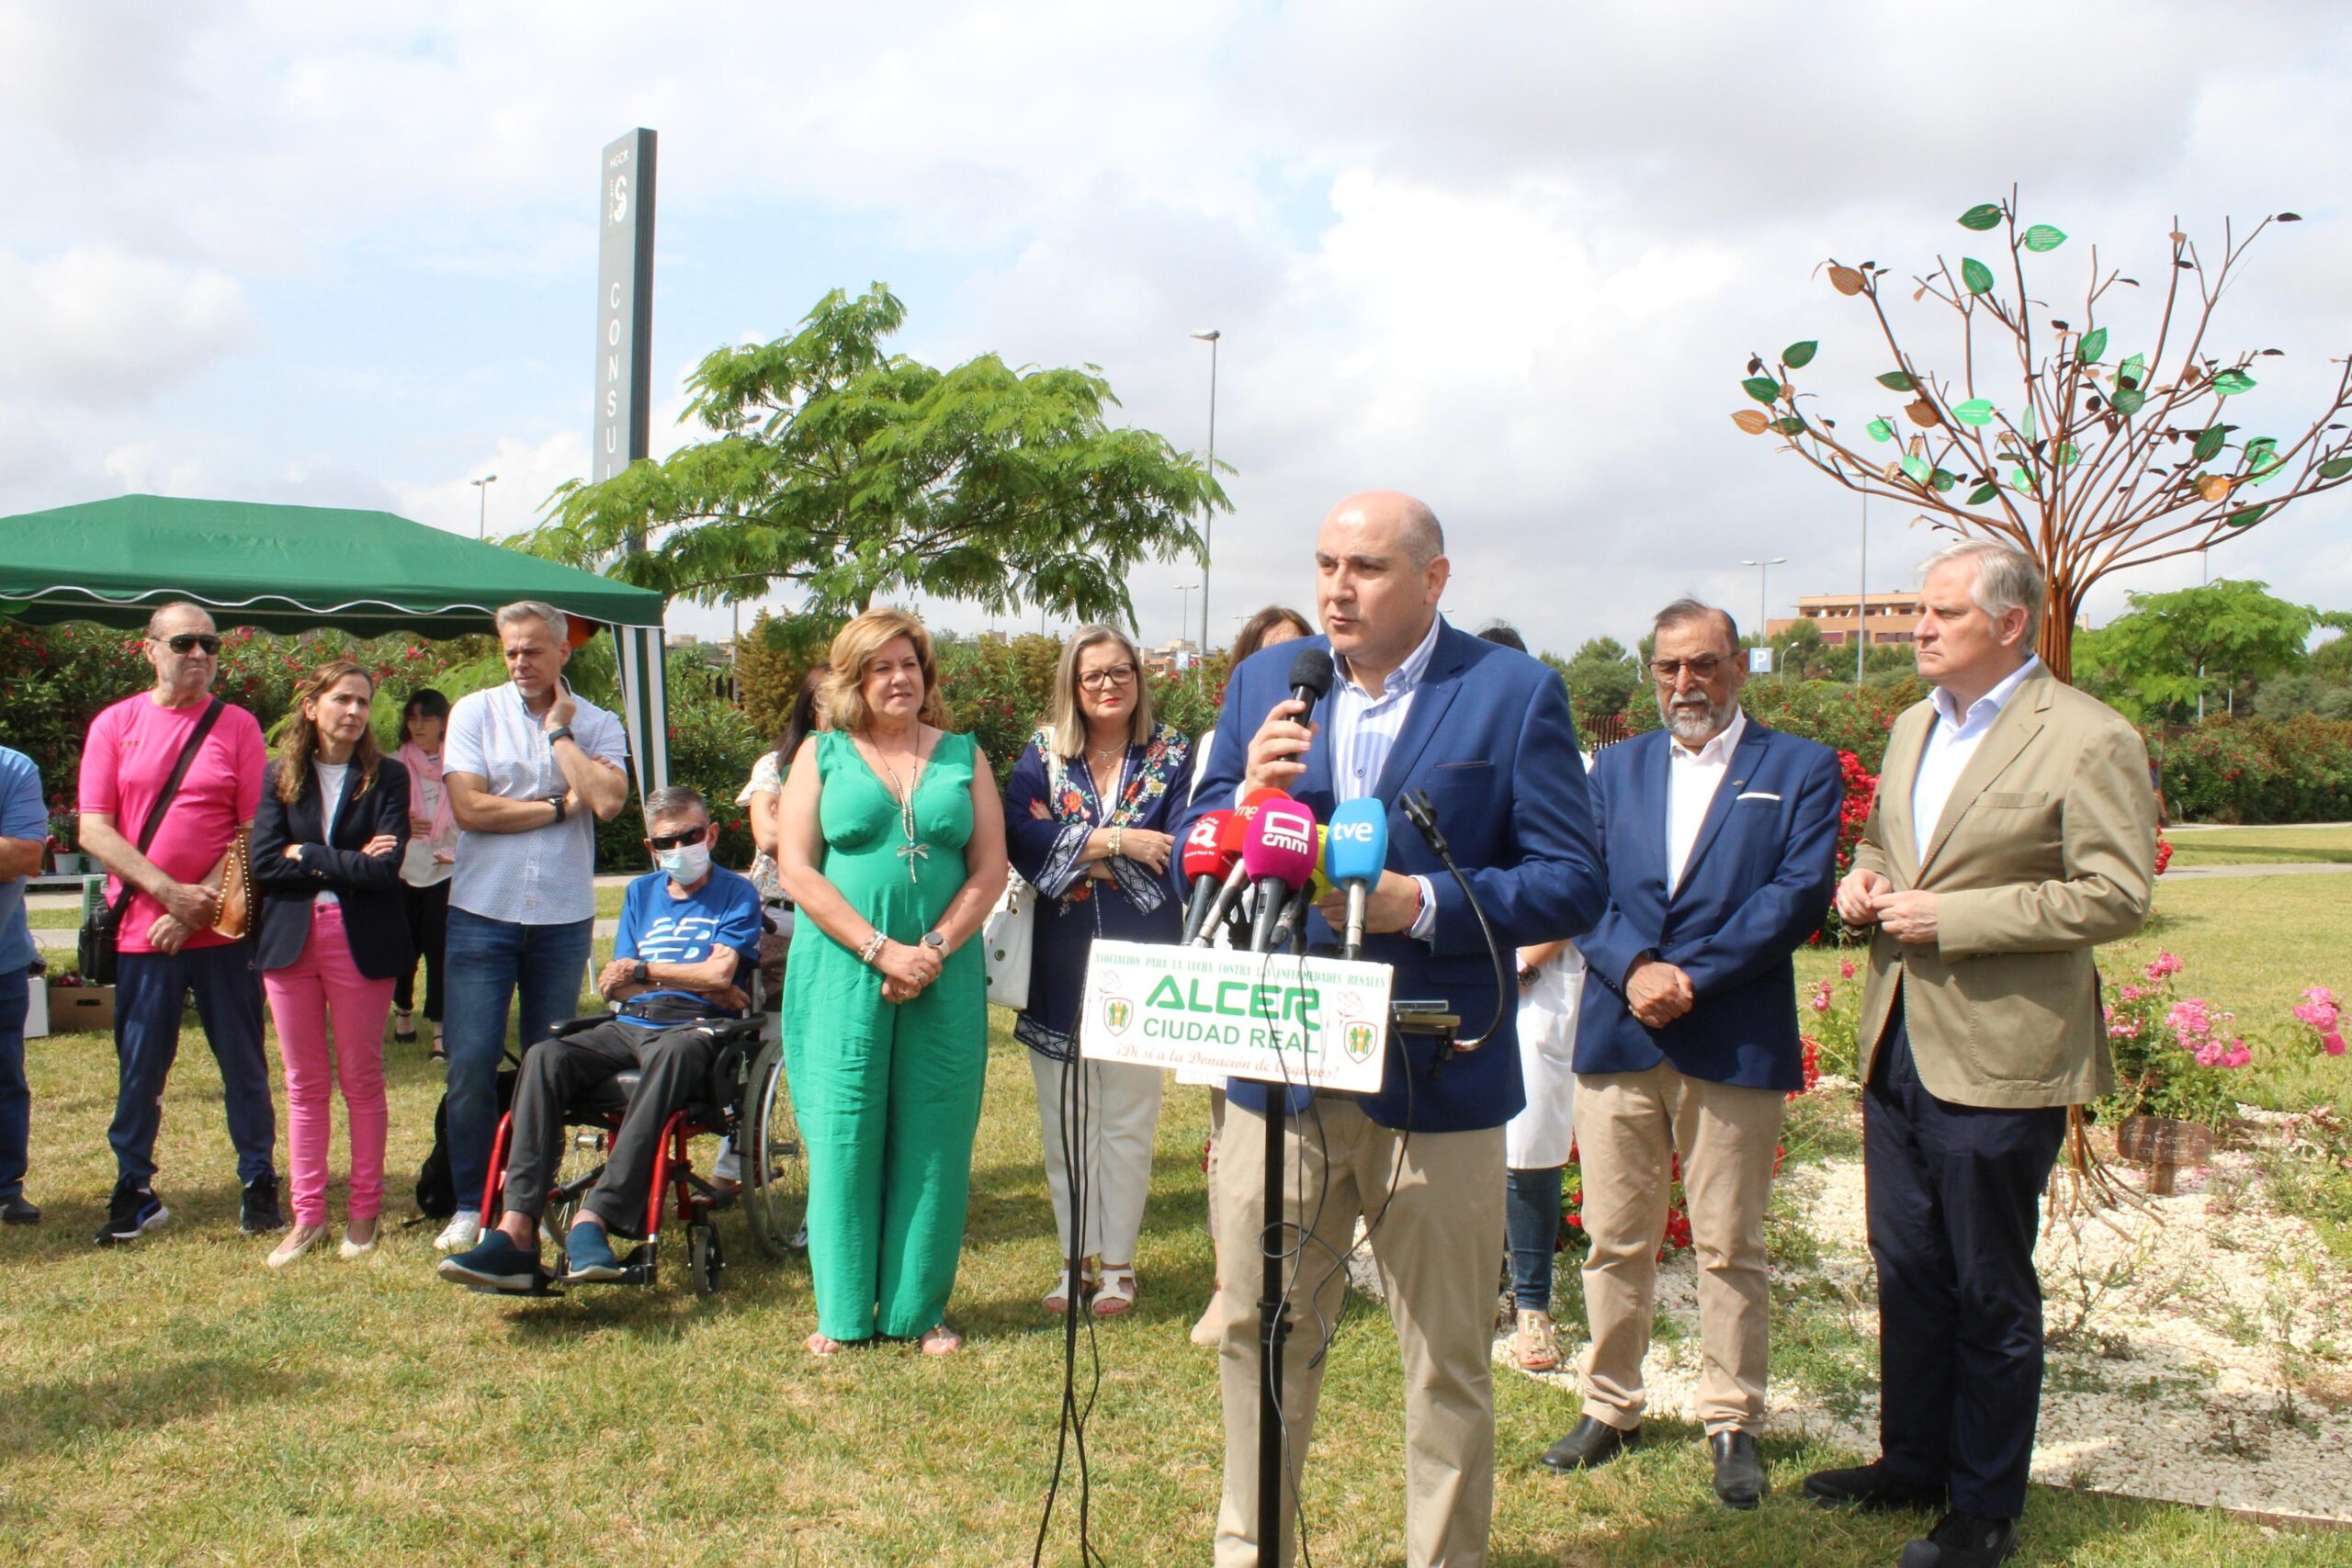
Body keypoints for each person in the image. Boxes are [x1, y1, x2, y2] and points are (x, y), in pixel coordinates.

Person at [1181, 491, 1607, 1568]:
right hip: (1277, 1069)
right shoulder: (1262, 686)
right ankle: (1251, 1551)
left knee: (1447, 1358)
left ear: (1433, 578)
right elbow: (1202, 827)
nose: (1336, 587)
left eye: (1365, 566)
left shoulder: (1512, 696)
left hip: (1438, 1072)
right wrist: (1243, 802)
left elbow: (1570, 881)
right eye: (1325, 562)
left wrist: (1422, 906)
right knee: (1256, 1332)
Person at [1803, 541, 2155, 1568]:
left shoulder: (2089, 739)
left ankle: (1984, 1507)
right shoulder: (1914, 726)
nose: (1918, 627)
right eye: (1919, 610)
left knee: (1988, 1285)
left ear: (2009, 624)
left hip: (2002, 1054)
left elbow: (2114, 894)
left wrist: (1954, 915)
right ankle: (1910, 1462)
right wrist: (1859, 885)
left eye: (1942, 613)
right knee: (1907, 1266)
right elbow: (1882, 846)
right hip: (1895, 1041)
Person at [1537, 599, 1840, 1511]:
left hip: (1730, 1032)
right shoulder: (1611, 770)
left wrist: (1688, 978)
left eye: (1702, 665)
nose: (1684, 685)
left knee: (1728, 1243)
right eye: (1669, 667)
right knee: (1614, 1236)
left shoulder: (1797, 767)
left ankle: (1731, 1418)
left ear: (1738, 666)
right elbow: (1577, 882)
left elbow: (1793, 897)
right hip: (1620, 1030)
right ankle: (1610, 1404)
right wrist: (1632, 969)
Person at [776, 608, 1007, 1356]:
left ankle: (918, 1311)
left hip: (943, 974)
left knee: (936, 1135)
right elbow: (797, 867)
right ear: (854, 679)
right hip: (842, 973)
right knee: (844, 1133)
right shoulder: (821, 753)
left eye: (908, 663)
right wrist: (882, 950)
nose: (898, 677)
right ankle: (841, 1314)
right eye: (880, 667)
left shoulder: (964, 756)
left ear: (926, 672)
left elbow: (990, 868)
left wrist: (931, 948)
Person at [439, 786, 763, 1293]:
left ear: (712, 834)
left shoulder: (736, 892)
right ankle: (516, 1229)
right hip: (630, 1020)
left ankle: (595, 1217)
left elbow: (719, 973)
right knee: (545, 1056)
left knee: (676, 1051)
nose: (679, 848)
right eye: (666, 841)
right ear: (650, 846)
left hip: (690, 1029)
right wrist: (686, 976)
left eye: (691, 835)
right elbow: (617, 983)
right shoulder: (640, 893)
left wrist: (653, 972)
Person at [1003, 626, 1191, 1317]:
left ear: (1139, 678)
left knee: (1129, 1119)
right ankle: (1072, 1260)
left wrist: (1084, 851)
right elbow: (1022, 833)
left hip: (1143, 959)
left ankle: (1119, 1264)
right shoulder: (1044, 754)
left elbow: (1176, 841)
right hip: (1060, 961)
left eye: (1121, 672)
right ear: (1071, 687)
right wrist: (1115, 844)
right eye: (1093, 677)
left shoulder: (1174, 754)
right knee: (1065, 1120)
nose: (1109, 686)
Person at [79, 603, 279, 1246]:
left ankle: (259, 1181)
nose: (199, 654)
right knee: (140, 1066)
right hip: (144, 930)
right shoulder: (115, 725)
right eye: (185, 642)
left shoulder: (239, 726)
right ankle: (133, 1187)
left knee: (243, 1062)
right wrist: (168, 895)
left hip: (224, 930)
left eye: (210, 644)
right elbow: (93, 827)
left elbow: (254, 831)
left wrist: (205, 905)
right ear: (151, 650)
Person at [436, 601, 632, 1255]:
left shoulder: (598, 722)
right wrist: (556, 805)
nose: (520, 662)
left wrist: (559, 736)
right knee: (468, 1062)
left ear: (563, 653)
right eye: (511, 651)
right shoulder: (473, 711)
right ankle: (470, 1202)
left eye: (533, 651)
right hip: (481, 914)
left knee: (548, 1067)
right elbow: (468, 808)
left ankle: (528, 1197)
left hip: (560, 917)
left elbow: (605, 801)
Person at [252, 661, 414, 1267]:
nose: (353, 711)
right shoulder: (278, 776)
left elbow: (384, 869)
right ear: (311, 705)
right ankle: (307, 1215)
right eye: (341, 699)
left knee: (362, 1078)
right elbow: (266, 862)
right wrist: (344, 858)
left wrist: (311, 854)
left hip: (361, 940)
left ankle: (365, 1212)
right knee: (303, 1082)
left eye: (363, 702)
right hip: (289, 942)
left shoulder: (389, 777)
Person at [1186, 602, 1312, 1348]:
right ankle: (1229, 1279)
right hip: (1240, 957)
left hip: (1323, 967)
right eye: (1278, 665)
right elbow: (1197, 836)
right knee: (1234, 1134)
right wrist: (1249, 794)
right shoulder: (1229, 746)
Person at [1474, 620, 1589, 1377]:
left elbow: (1574, 883)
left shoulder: (1568, 764)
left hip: (1536, 978)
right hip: (1461, 980)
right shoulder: (1459, 762)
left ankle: (1536, 1304)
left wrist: (1518, 964)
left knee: (1532, 1146)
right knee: (1467, 1143)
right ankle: (1482, 1286)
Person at [391, 688, 457, 1058]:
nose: (419, 725)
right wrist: (400, 821)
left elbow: (469, 811)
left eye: (427, 718)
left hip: (446, 869)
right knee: (404, 948)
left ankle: (439, 1030)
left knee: (440, 949)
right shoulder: (392, 765)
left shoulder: (457, 762)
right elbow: (375, 819)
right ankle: (402, 1009)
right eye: (413, 718)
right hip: (404, 871)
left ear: (442, 722)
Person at [0, 743, 43, 1225]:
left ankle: (5, 1187)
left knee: (4, 1080)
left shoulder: (12, 768)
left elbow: (25, 853)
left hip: (1, 958)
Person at [741, 667, 827, 906]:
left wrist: (795, 827)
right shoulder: (774, 765)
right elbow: (768, 837)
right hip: (780, 911)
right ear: (811, 710)